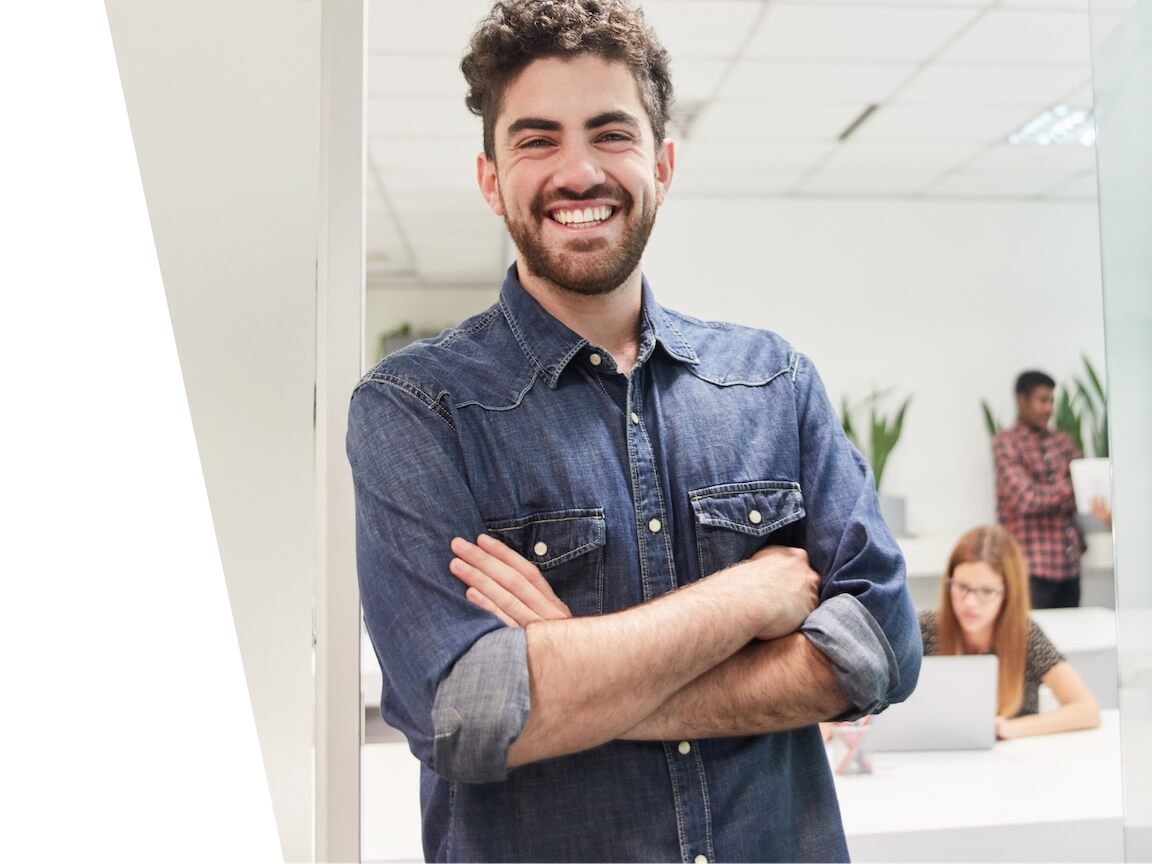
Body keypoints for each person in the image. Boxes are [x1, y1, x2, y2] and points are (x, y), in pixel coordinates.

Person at [347, 2, 921, 860]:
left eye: (610, 133)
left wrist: (565, 677)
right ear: (490, 180)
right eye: (536, 139)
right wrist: (744, 600)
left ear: (663, 162)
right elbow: (463, 713)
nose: (577, 172)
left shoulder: (770, 381)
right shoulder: (416, 408)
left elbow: (881, 651)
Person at [919, 525, 1099, 739]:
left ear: (1008, 593)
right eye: (961, 587)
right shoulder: (924, 629)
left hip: (1012, 763)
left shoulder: (1025, 634)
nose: (970, 602)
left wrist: (1012, 728)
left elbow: (1087, 710)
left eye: (987, 591)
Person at [993, 370, 1085, 608]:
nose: (1049, 408)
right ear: (1021, 400)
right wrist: (1070, 487)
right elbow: (1026, 499)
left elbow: (1083, 492)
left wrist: (1069, 489)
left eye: (1051, 400)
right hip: (1031, 568)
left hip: (1069, 566)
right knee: (1031, 643)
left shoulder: (1063, 442)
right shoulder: (1006, 443)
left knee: (1071, 640)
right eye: (1042, 400)